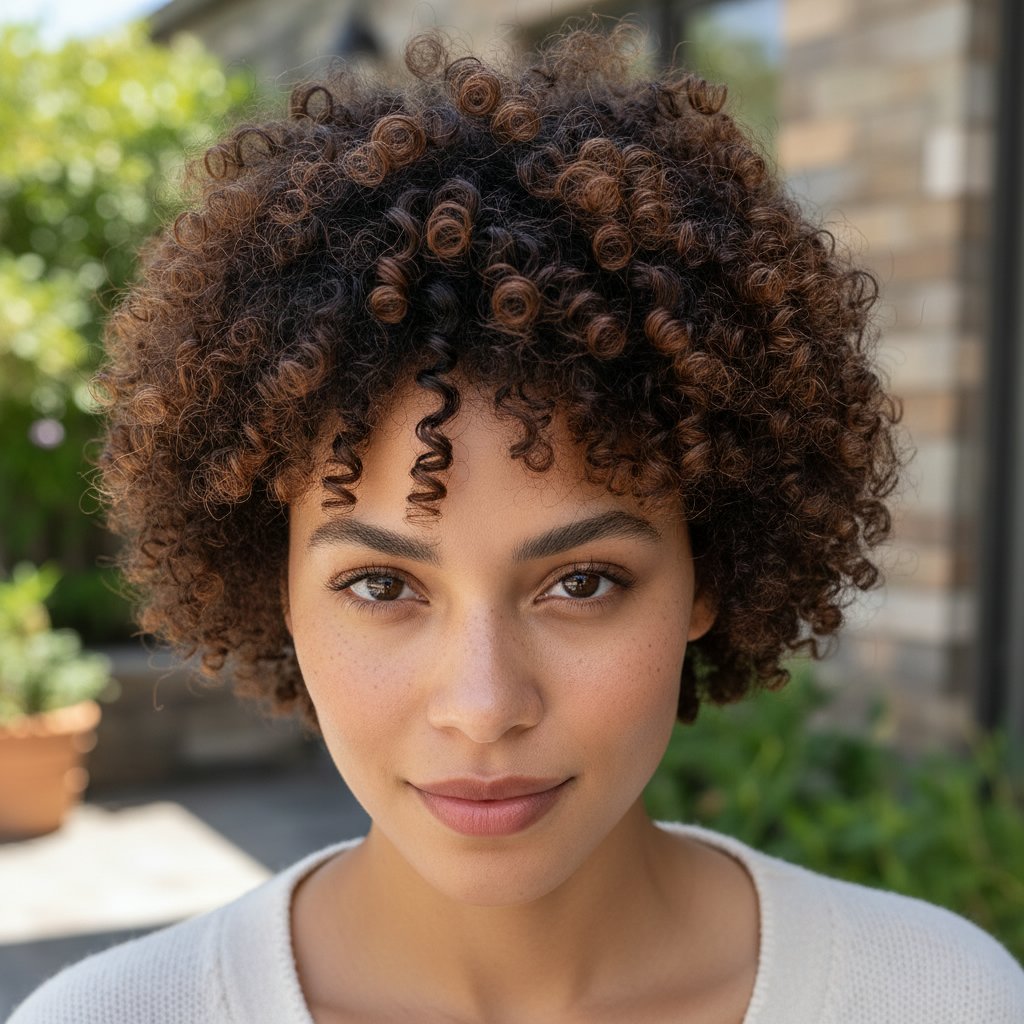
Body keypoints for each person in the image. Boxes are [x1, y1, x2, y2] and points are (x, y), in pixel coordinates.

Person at [9, 19, 1024, 1024]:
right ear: (272, 585)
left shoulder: (943, 997)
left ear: (707, 572)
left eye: (580, 581)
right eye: (381, 584)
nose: (484, 706)